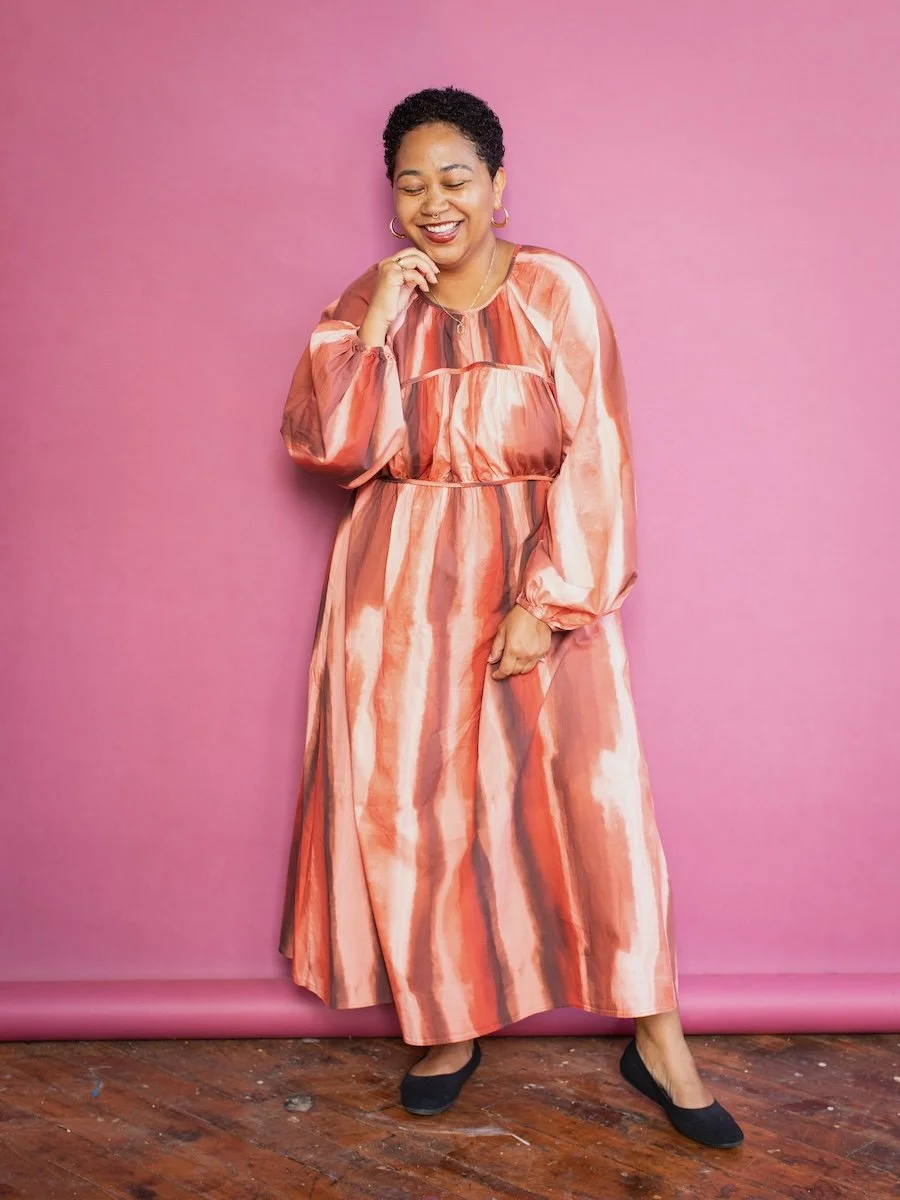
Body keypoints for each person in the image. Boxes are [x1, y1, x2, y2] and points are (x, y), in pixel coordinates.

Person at [278, 86, 743, 1150]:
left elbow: (601, 450)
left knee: (597, 805)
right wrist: (377, 332)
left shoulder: (554, 291)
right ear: (389, 196)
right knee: (421, 810)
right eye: (410, 183)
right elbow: (330, 450)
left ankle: (658, 1037)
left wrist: (550, 603)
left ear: (497, 184)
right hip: (395, 590)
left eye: (455, 179)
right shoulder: (367, 299)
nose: (434, 203)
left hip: (534, 571)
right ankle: (446, 1025)